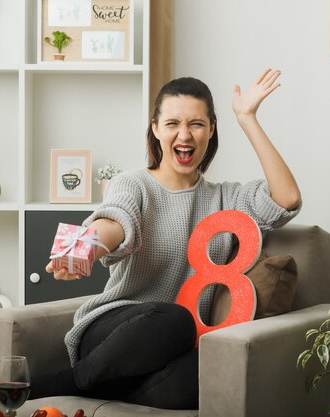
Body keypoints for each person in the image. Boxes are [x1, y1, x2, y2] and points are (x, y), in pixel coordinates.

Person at [31, 68, 302, 409]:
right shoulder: (133, 184)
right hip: (115, 332)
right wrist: (87, 248)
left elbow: (287, 198)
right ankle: (70, 381)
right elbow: (115, 220)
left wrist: (247, 118)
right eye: (173, 124)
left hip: (171, 350)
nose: (184, 135)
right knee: (176, 318)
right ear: (156, 129)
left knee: (207, 371)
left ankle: (102, 387)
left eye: (196, 124)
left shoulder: (227, 199)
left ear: (211, 129)